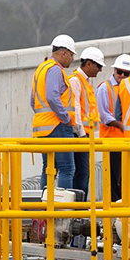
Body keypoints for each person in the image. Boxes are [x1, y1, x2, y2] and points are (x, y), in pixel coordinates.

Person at [31, 34, 79, 192]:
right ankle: (63, 212)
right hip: (58, 126)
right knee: (67, 169)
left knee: (49, 168)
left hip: (43, 127)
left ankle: (46, 211)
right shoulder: (55, 70)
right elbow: (52, 96)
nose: (72, 59)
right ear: (63, 53)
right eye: (71, 55)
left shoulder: (41, 69)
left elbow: (33, 101)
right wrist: (65, 118)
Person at [97, 54, 130, 204]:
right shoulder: (104, 88)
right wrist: (122, 126)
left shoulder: (129, 89)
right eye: (119, 72)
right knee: (113, 180)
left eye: (126, 74)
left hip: (127, 141)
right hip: (111, 141)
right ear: (114, 71)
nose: (122, 76)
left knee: (126, 179)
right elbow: (104, 116)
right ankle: (114, 214)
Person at [68, 46, 104, 201]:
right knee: (81, 173)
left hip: (85, 135)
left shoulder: (85, 82)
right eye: (98, 66)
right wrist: (82, 134)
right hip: (79, 135)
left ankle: (80, 208)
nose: (100, 70)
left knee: (83, 173)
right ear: (88, 64)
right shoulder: (76, 80)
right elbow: (75, 109)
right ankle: (78, 208)